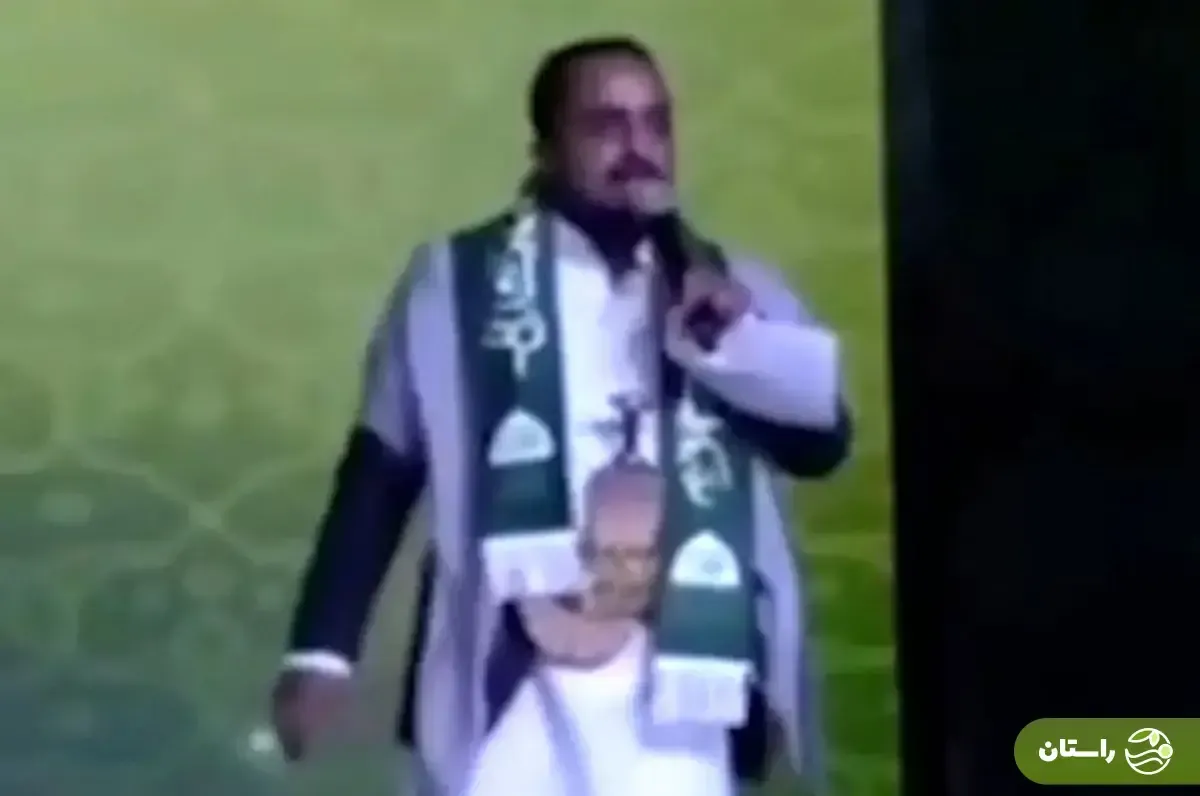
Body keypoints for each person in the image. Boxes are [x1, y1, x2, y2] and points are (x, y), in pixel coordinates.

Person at [270, 35, 852, 796]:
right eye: (606, 125)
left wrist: (734, 346)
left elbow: (821, 448)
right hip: (513, 671)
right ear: (544, 150)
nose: (639, 148)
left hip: (682, 676)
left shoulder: (735, 286)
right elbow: (381, 471)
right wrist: (321, 652)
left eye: (656, 123)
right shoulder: (455, 283)